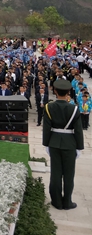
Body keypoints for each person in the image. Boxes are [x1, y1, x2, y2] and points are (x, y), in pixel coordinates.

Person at [43, 79, 85, 210]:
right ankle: (67, 202)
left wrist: (46, 144)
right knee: (68, 174)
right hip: (70, 143)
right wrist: (79, 147)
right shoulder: (74, 108)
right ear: (68, 92)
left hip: (54, 142)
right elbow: (78, 130)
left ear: (55, 91)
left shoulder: (49, 107)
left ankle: (56, 201)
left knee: (55, 173)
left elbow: (46, 128)